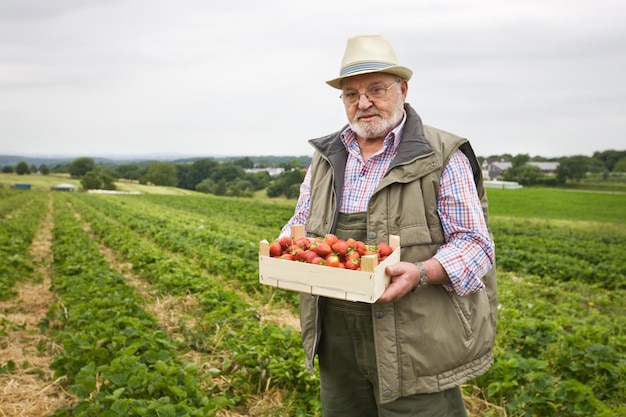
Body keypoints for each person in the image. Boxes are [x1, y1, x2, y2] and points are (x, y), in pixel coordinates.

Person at [281, 34, 497, 417]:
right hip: (338, 340)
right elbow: (301, 223)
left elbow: (476, 245)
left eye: (376, 89)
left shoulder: (441, 155)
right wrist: (284, 252)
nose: (363, 103)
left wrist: (421, 271)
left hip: (415, 341)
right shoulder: (325, 159)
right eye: (351, 94)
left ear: (403, 89)